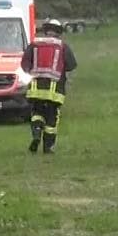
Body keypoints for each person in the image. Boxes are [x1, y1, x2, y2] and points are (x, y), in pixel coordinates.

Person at [22, 19, 78, 154]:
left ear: (46, 30)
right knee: (52, 118)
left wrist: (32, 72)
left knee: (36, 113)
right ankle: (48, 148)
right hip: (55, 91)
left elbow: (24, 63)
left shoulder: (34, 44)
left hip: (36, 89)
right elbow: (71, 65)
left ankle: (36, 134)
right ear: (58, 32)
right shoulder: (63, 46)